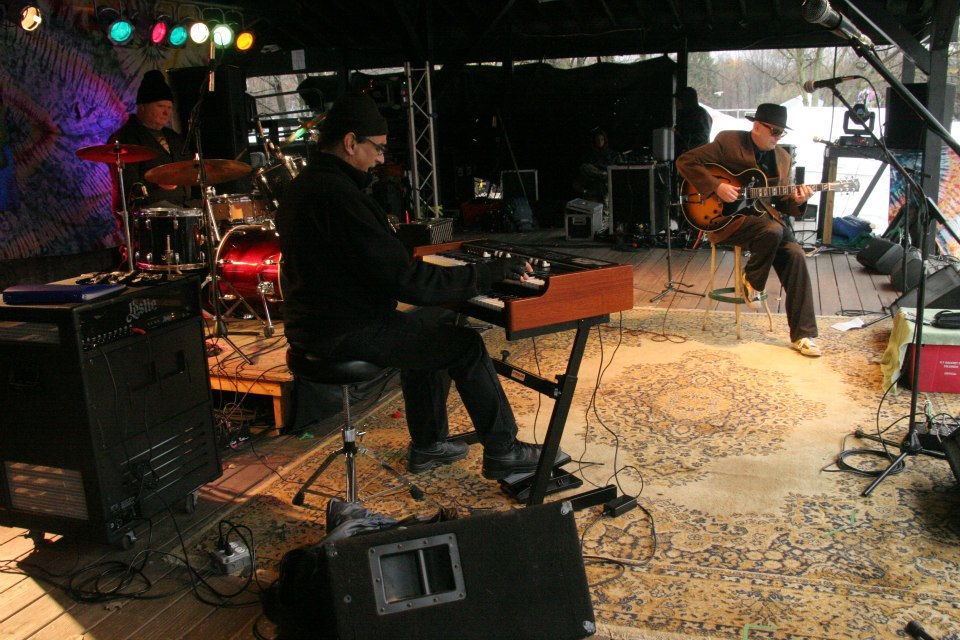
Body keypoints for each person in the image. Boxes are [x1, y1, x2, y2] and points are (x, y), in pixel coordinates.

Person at [276, 91, 547, 480]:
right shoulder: (338, 196)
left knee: (429, 333)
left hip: (314, 324)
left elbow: (368, 264)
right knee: (466, 346)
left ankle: (429, 445)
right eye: (378, 149)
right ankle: (504, 450)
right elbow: (408, 284)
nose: (381, 159)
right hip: (345, 330)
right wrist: (488, 273)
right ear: (351, 143)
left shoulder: (304, 187)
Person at [675, 103, 820, 357]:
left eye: (781, 133)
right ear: (757, 126)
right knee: (773, 231)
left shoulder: (783, 159)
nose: (777, 138)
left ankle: (803, 335)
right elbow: (686, 162)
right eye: (774, 131)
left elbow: (783, 203)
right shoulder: (729, 142)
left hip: (765, 224)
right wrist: (716, 187)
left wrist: (798, 200)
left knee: (796, 255)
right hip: (729, 221)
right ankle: (753, 281)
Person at [108, 70, 193, 217]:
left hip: (182, 208)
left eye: (169, 108)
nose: (166, 113)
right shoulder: (126, 138)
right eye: (160, 106)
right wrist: (156, 183)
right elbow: (127, 184)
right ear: (142, 107)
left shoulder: (174, 138)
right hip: (149, 215)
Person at [574, 127, 617, 200]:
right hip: (595, 179)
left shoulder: (610, 154)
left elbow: (613, 167)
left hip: (606, 179)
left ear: (605, 141)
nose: (600, 142)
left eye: (602, 139)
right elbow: (585, 168)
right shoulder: (590, 154)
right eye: (597, 140)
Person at [674, 87, 713, 156]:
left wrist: (679, 134)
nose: (677, 105)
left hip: (697, 156)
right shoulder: (685, 114)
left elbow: (701, 138)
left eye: (678, 102)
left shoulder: (701, 115)